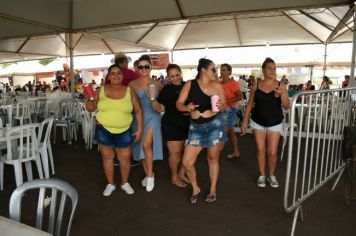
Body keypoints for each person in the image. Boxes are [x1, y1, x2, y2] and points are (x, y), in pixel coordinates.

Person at [86, 64, 143, 196]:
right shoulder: (100, 90)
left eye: (119, 73)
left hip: (124, 130)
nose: (116, 76)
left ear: (122, 76)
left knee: (125, 159)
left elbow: (139, 111)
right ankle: (110, 184)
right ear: (108, 76)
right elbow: (90, 108)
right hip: (103, 129)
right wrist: (90, 99)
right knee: (107, 158)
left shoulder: (129, 91)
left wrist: (140, 129)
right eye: (113, 73)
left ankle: (125, 183)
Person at [176, 58, 227, 204]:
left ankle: (212, 190)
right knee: (186, 162)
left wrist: (214, 109)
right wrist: (187, 108)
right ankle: (195, 188)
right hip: (196, 128)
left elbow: (224, 106)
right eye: (213, 69)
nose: (215, 73)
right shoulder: (190, 84)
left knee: (212, 159)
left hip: (214, 126)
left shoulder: (217, 85)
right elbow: (178, 104)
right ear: (203, 70)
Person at [241, 57, 290, 188]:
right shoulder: (256, 85)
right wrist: (244, 120)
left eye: (274, 68)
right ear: (263, 70)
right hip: (257, 121)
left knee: (272, 152)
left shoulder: (281, 85)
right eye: (270, 68)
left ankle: (272, 175)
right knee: (260, 149)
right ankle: (262, 175)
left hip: (275, 122)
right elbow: (250, 103)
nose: (273, 71)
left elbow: (286, 106)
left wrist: (282, 95)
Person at [129, 55, 163, 192]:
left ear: (151, 67)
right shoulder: (132, 84)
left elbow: (163, 102)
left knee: (146, 144)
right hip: (137, 118)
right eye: (141, 67)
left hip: (152, 116)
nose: (143, 69)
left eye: (146, 66)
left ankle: (149, 177)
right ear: (137, 68)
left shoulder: (158, 84)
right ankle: (150, 173)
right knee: (140, 147)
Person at [155, 64, 190, 188]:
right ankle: (174, 177)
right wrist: (152, 100)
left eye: (177, 75)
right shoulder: (166, 90)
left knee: (187, 153)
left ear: (181, 73)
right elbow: (160, 107)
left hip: (187, 124)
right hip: (171, 125)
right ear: (168, 78)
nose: (175, 78)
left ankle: (181, 173)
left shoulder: (187, 85)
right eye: (172, 76)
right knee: (175, 154)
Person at [220, 63, 243, 159]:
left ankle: (215, 153)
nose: (221, 71)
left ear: (229, 71)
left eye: (224, 70)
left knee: (224, 131)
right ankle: (236, 151)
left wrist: (227, 101)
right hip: (222, 110)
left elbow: (240, 96)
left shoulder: (233, 83)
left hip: (231, 110)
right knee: (230, 132)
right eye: (221, 70)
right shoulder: (219, 83)